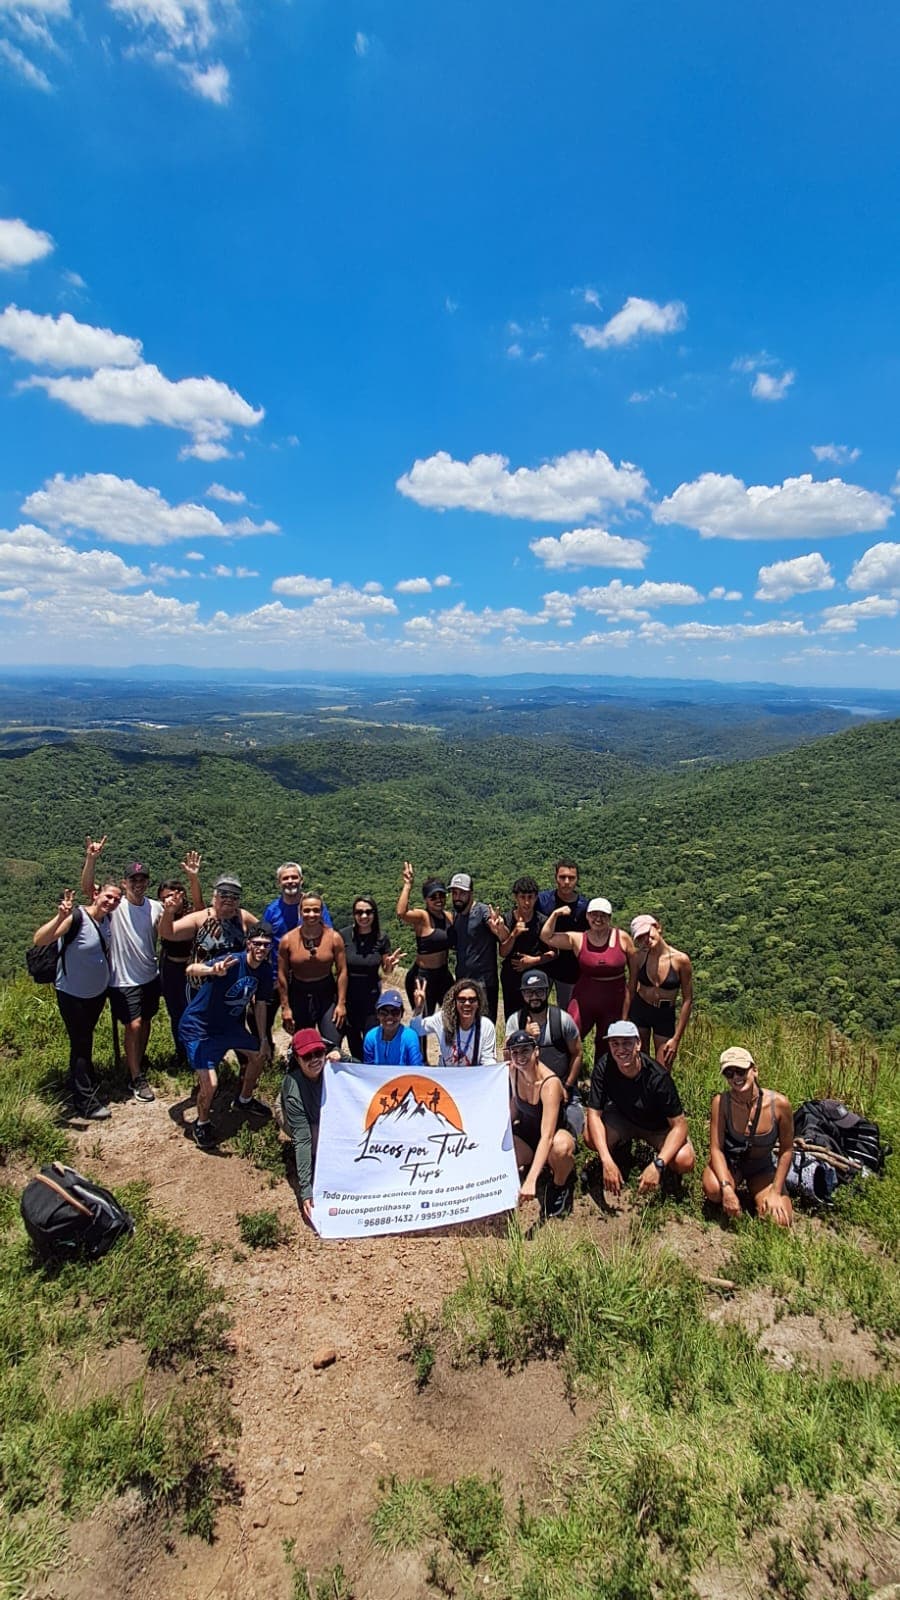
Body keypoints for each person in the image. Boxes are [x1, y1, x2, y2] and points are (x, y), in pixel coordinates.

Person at [179, 922, 275, 1149]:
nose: (261, 948)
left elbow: (260, 1005)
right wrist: (212, 970)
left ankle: (245, 1099)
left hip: (229, 1027)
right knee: (210, 1084)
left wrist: (263, 1039)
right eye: (257, 944)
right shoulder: (232, 961)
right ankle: (201, 1123)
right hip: (199, 1028)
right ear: (248, 944)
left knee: (258, 1055)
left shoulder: (263, 970)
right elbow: (191, 970)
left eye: (266, 945)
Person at [81, 838, 163, 1103]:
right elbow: (88, 890)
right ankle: (136, 1077)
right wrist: (91, 858)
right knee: (134, 1025)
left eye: (143, 879)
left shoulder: (156, 907)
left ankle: (137, 1061)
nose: (138, 884)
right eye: (133, 880)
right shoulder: (116, 906)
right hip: (123, 979)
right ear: (126, 883)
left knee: (146, 1021)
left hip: (150, 975)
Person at [32, 882, 122, 1120]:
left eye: (116, 899)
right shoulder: (76, 917)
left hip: (96, 994)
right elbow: (40, 939)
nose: (112, 902)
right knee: (81, 1043)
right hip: (73, 994)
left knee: (85, 1039)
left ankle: (85, 1079)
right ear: (96, 894)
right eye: (108, 896)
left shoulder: (107, 921)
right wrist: (59, 916)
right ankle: (85, 1102)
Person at [585, 1019, 695, 1196]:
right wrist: (605, 1159)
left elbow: (680, 1125)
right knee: (590, 1136)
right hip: (624, 1118)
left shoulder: (658, 1077)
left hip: (656, 1128)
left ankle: (667, 1174)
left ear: (638, 1044)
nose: (621, 1049)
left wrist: (658, 1164)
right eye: (615, 1043)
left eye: (627, 1043)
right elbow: (593, 1114)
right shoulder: (604, 1067)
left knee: (684, 1160)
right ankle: (617, 1156)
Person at [703, 1047, 794, 1226]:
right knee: (714, 1190)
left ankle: (761, 1196)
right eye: (729, 1073)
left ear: (754, 1070)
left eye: (741, 1070)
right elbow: (716, 1148)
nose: (736, 1077)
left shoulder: (780, 1105)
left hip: (761, 1167)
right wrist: (726, 1188)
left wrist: (775, 1191)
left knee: (780, 1221)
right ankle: (733, 1194)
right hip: (732, 1163)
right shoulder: (721, 1103)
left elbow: (786, 1149)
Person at [541, 897, 635, 1055]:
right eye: (594, 915)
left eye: (603, 915)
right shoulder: (578, 938)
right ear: (587, 916)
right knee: (570, 1033)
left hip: (614, 999)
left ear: (610, 918)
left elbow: (634, 972)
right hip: (585, 997)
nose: (598, 919)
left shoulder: (623, 937)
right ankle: (568, 1075)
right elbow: (546, 937)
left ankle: (602, 1078)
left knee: (608, 1043)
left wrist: (629, 1001)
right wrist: (555, 914)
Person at [503, 969, 584, 1135]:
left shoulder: (562, 1019)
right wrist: (525, 1036)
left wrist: (567, 1086)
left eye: (539, 991)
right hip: (527, 1096)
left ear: (547, 991)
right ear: (522, 994)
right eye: (528, 992)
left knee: (567, 1139)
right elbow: (507, 1057)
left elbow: (577, 1053)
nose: (534, 997)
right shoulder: (515, 1021)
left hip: (562, 1093)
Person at [506, 1029, 576, 1218]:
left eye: (525, 1051)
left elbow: (547, 1135)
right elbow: (514, 1105)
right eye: (515, 1052)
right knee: (501, 1148)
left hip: (554, 1134)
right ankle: (523, 1173)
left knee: (560, 1148)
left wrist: (531, 1180)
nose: (520, 1057)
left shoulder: (550, 1083)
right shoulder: (514, 1071)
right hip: (529, 1134)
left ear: (536, 1051)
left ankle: (559, 1184)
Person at [261, 863, 333, 1039]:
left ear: (301, 879)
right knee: (260, 1020)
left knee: (302, 1026)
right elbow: (263, 942)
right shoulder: (272, 911)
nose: (290, 881)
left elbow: (329, 937)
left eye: (294, 877)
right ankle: (267, 1053)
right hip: (277, 976)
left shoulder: (314, 908)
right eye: (286, 878)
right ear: (279, 882)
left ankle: (309, 1057)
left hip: (307, 977)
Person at [280, 1028, 339, 1226]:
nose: (314, 1060)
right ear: (297, 1058)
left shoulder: (332, 1067)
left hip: (324, 1115)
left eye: (318, 1053)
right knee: (313, 1138)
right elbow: (302, 1138)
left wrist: (343, 1057)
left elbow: (361, 1073)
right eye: (307, 1056)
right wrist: (305, 1190)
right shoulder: (293, 1086)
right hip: (304, 1122)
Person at [278, 894, 347, 1051]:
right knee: (303, 1045)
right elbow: (282, 975)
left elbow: (342, 972)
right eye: (307, 910)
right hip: (299, 993)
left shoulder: (334, 938)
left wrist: (341, 1004)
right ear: (300, 912)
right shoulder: (287, 940)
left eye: (316, 910)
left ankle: (329, 1074)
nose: (311, 915)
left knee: (332, 1042)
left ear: (322, 912)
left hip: (326, 993)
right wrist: (285, 1007)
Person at [340, 895, 403, 1059]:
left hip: (371, 998)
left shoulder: (381, 938)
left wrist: (389, 965)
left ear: (374, 914)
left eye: (368, 912)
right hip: (348, 997)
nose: (364, 916)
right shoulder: (343, 936)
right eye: (359, 912)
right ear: (353, 914)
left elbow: (386, 970)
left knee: (372, 1040)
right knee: (353, 1040)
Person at [157, 853, 205, 1067]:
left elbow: (201, 908)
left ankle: (200, 1052)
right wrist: (168, 910)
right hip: (170, 967)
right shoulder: (162, 915)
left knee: (195, 1009)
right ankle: (181, 1054)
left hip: (191, 967)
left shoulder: (191, 914)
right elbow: (165, 933)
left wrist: (193, 878)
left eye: (173, 895)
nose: (169, 900)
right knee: (175, 1012)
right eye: (164, 897)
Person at [628, 914, 694, 1069]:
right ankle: (640, 1093)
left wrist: (676, 1038)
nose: (646, 939)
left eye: (648, 933)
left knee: (663, 1067)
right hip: (640, 1009)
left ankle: (658, 1093)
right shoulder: (638, 958)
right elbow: (630, 988)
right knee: (639, 1061)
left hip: (664, 1014)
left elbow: (687, 999)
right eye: (640, 937)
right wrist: (624, 1019)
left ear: (658, 927)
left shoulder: (680, 960)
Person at [159, 871, 259, 972]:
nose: (229, 899)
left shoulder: (243, 916)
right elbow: (168, 933)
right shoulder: (201, 918)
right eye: (224, 894)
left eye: (234, 896)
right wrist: (169, 912)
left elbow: (266, 934)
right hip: (204, 980)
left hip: (235, 981)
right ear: (215, 896)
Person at [396, 863, 454, 1022]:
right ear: (426, 899)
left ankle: (452, 1048)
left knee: (452, 1018)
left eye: (441, 895)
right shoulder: (422, 917)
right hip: (423, 976)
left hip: (443, 974)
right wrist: (407, 885)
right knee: (421, 1020)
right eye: (433, 897)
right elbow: (401, 913)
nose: (438, 900)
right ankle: (418, 1048)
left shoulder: (449, 916)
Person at [447, 872, 504, 1023]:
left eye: (462, 893)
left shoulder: (482, 911)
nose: (457, 897)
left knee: (485, 1029)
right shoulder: (457, 916)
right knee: (465, 1029)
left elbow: (502, 935)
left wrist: (499, 928)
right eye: (454, 893)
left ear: (471, 893)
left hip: (484, 985)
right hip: (462, 983)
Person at [496, 875, 554, 1019]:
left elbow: (554, 953)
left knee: (538, 1018)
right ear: (516, 897)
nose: (527, 902)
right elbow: (502, 952)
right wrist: (514, 934)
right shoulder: (507, 919)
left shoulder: (542, 921)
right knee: (513, 1019)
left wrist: (533, 961)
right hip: (511, 978)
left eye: (530, 897)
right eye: (522, 897)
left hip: (537, 978)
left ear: (536, 898)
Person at [536, 860, 589, 1011]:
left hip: (570, 970)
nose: (566, 882)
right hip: (542, 964)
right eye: (562, 877)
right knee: (536, 1009)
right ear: (555, 877)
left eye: (571, 878)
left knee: (568, 1014)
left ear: (577, 879)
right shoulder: (542, 900)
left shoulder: (584, 907)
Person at [410, 976, 498, 1066]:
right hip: (446, 1075)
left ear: (478, 1003)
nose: (467, 1004)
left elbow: (488, 1061)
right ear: (454, 1002)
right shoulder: (442, 1019)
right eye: (462, 1000)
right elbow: (416, 1029)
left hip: (473, 1076)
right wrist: (419, 1008)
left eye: (472, 1000)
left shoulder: (486, 1026)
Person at [363, 989, 424, 1066]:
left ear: (402, 1014)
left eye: (395, 1012)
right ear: (378, 1015)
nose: (389, 1016)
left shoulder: (410, 1037)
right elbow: (367, 1069)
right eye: (384, 1013)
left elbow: (416, 1069)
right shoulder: (371, 1037)